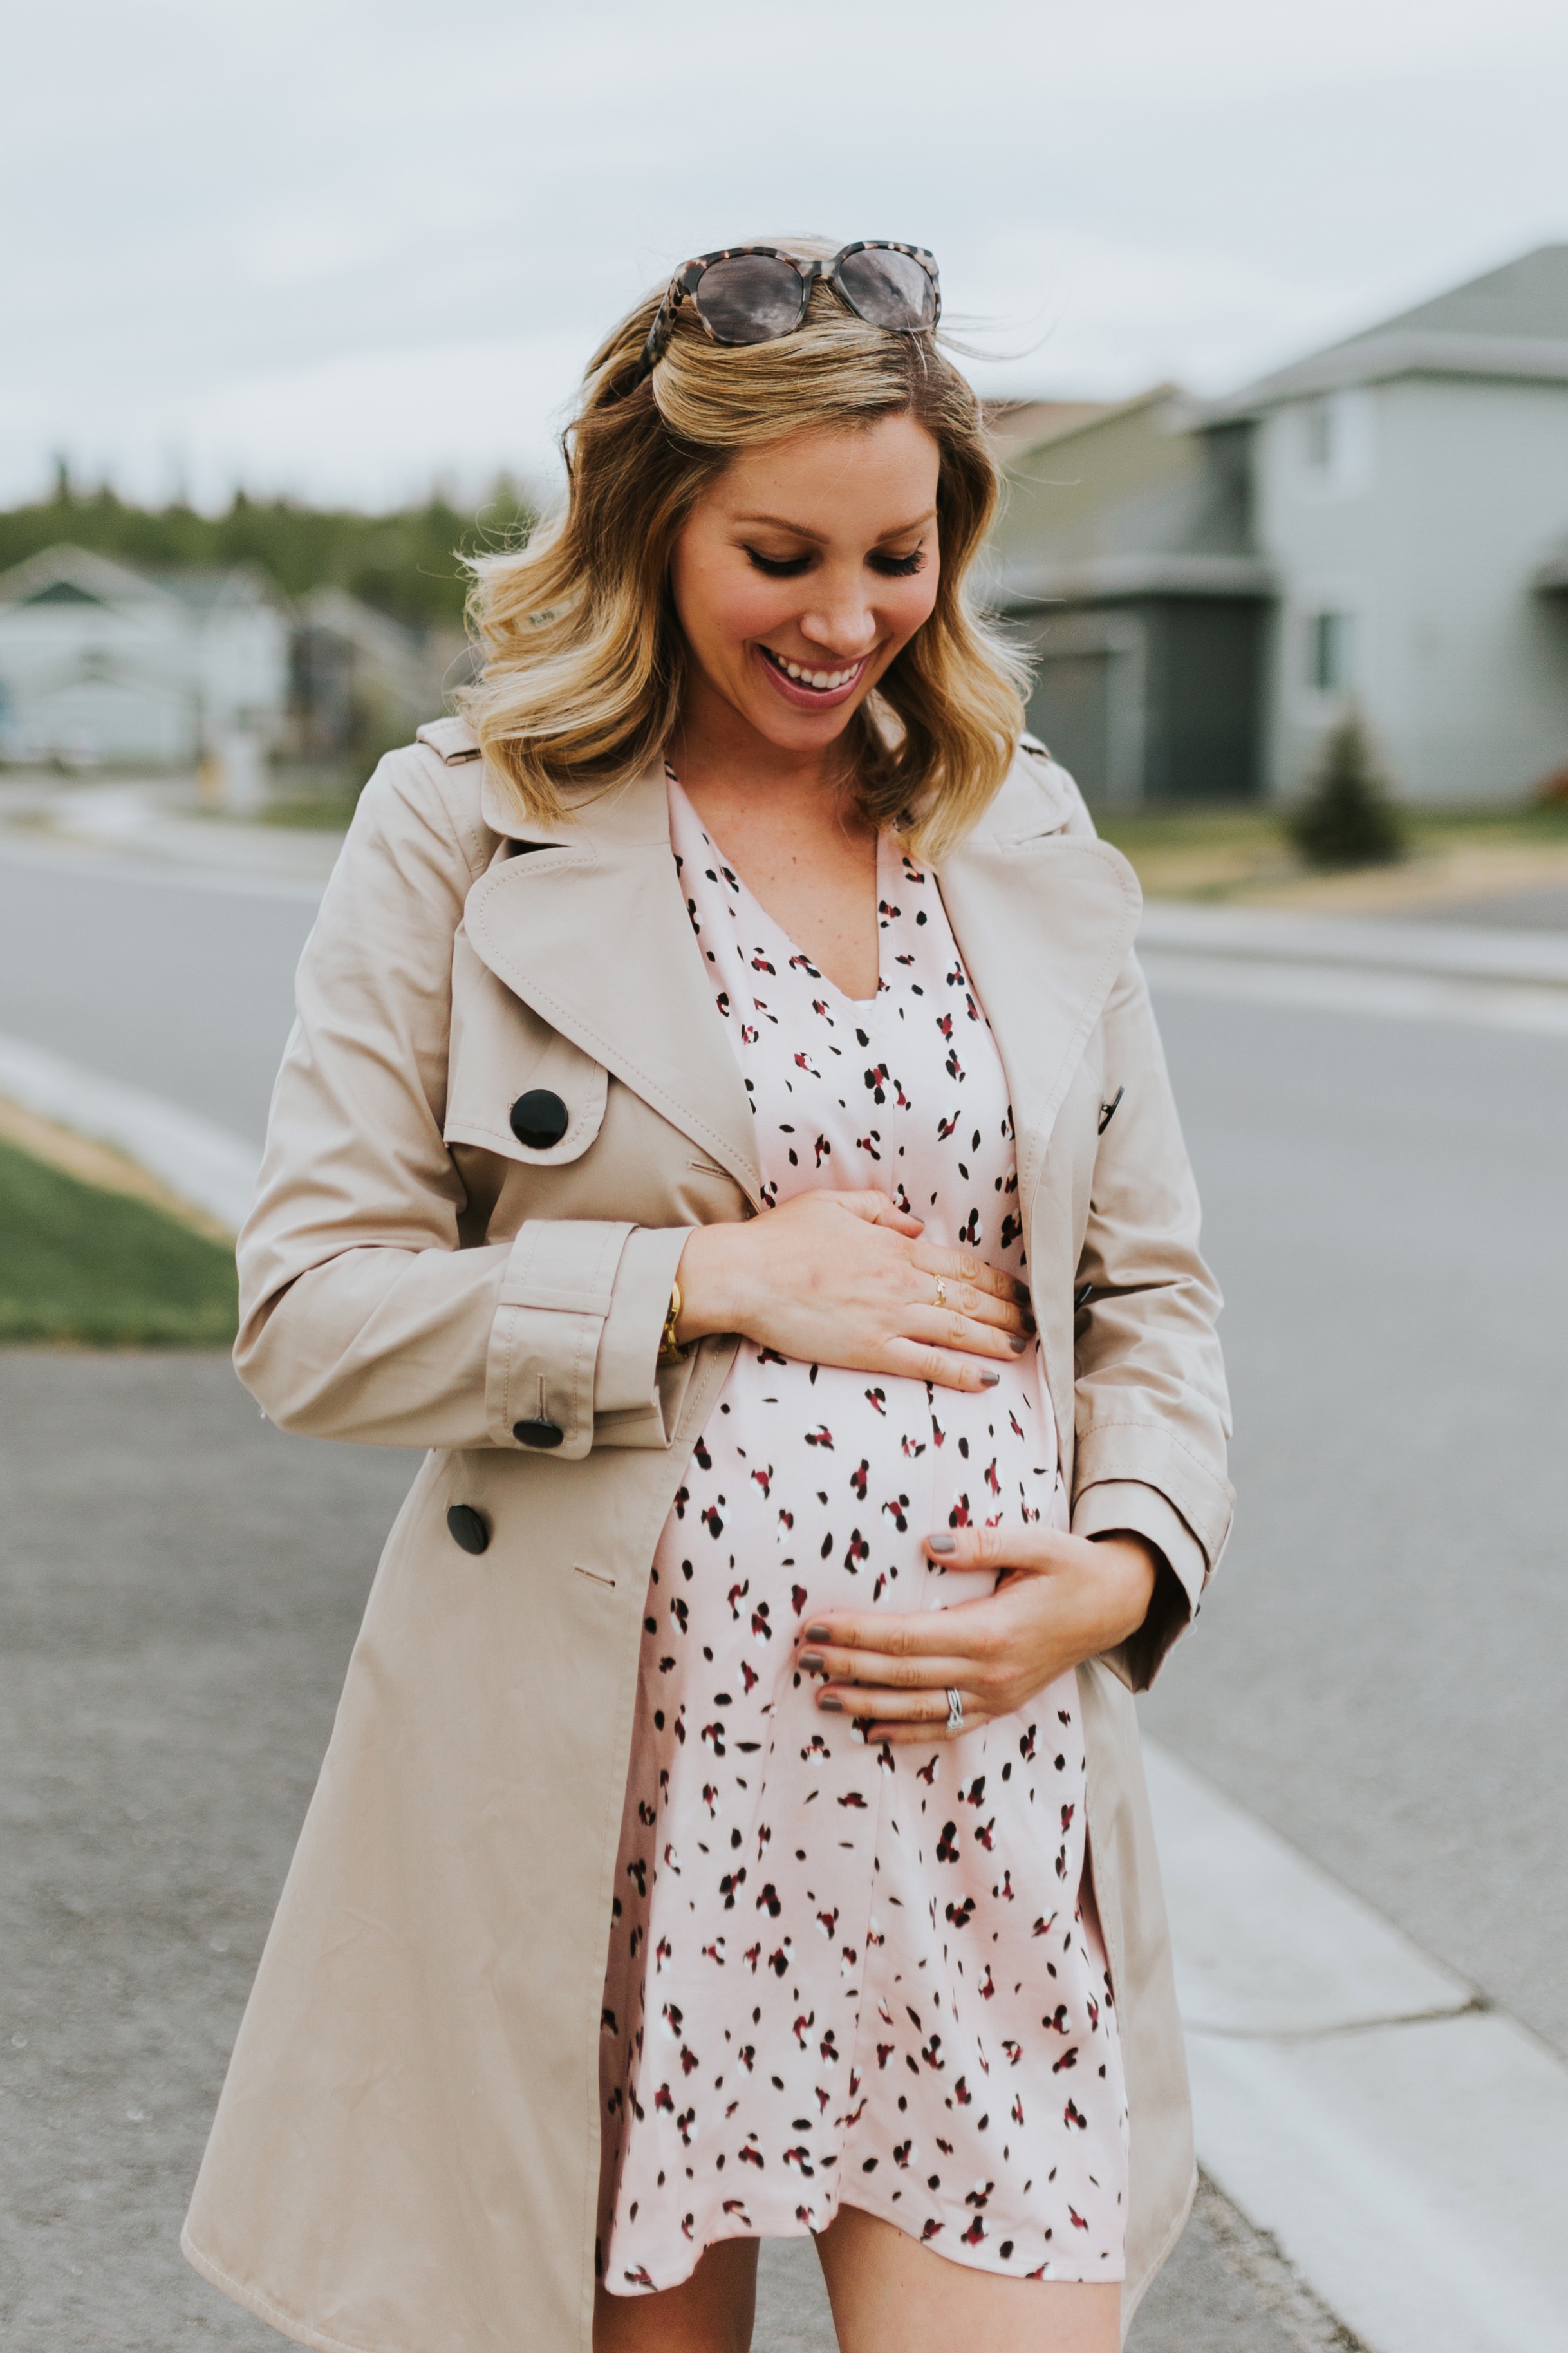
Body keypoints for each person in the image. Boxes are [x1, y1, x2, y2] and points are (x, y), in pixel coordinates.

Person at [183, 239, 1232, 2353]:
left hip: (972, 1802)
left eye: (897, 555)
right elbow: (311, 1308)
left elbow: (1146, 1295)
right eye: (780, 556)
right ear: (649, 523)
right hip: (619, 1814)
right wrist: (703, 1278)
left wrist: (1119, 1574)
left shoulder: (1012, 829)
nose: (846, 621)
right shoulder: (464, 830)